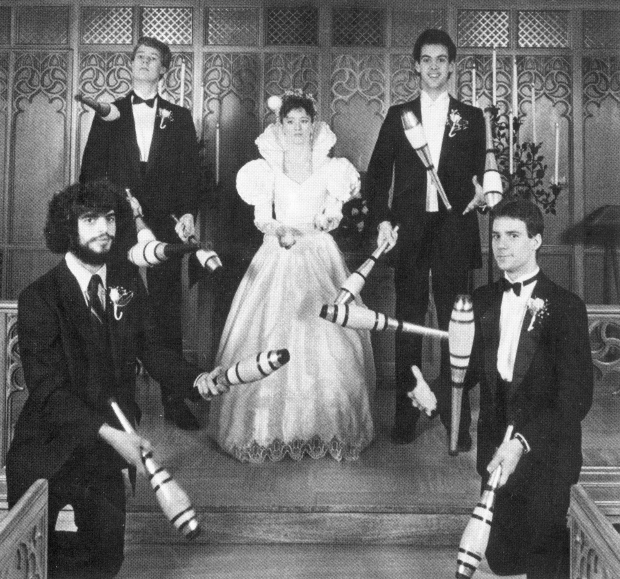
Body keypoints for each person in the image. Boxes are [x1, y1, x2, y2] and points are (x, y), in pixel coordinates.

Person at [6, 180, 225, 579]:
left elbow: (150, 347)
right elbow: (49, 394)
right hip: (52, 457)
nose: (104, 228)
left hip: (106, 459)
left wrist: (196, 380)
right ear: (67, 228)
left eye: (109, 218)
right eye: (90, 220)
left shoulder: (124, 278)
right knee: (63, 567)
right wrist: (114, 435)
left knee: (107, 564)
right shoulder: (39, 297)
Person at [208, 91, 376, 462]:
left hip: (318, 252)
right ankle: (269, 431)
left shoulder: (332, 168)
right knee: (269, 331)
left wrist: (326, 221)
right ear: (280, 125)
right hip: (278, 252)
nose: (298, 128)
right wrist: (278, 230)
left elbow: (334, 213)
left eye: (304, 122)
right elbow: (261, 218)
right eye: (290, 122)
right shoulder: (264, 169)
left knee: (330, 335)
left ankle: (323, 427)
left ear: (314, 124)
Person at [366, 29, 486, 447]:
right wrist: (381, 220)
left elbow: (480, 178)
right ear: (416, 65)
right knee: (409, 326)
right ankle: (405, 415)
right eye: (427, 59)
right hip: (411, 232)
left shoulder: (472, 117)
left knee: (460, 329)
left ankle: (458, 420)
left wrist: (482, 192)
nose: (434, 67)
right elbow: (377, 174)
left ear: (452, 66)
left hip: (454, 232)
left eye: (442, 60)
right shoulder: (399, 114)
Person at [464, 198, 593, 578]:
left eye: (513, 236)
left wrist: (521, 442)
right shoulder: (483, 299)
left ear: (536, 240)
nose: (501, 245)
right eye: (496, 236)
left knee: (543, 565)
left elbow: (576, 397)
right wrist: (435, 393)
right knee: (504, 562)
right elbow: (468, 370)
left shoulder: (567, 307)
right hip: (495, 458)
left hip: (545, 458)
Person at [80, 36, 203, 430]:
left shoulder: (179, 117)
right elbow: (90, 172)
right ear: (131, 66)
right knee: (118, 304)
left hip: (166, 225)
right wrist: (107, 212)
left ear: (163, 69)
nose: (146, 62)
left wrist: (186, 213)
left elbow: (191, 173)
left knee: (167, 311)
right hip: (118, 225)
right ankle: (116, 404)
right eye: (140, 57)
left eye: (154, 58)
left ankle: (175, 400)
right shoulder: (108, 113)